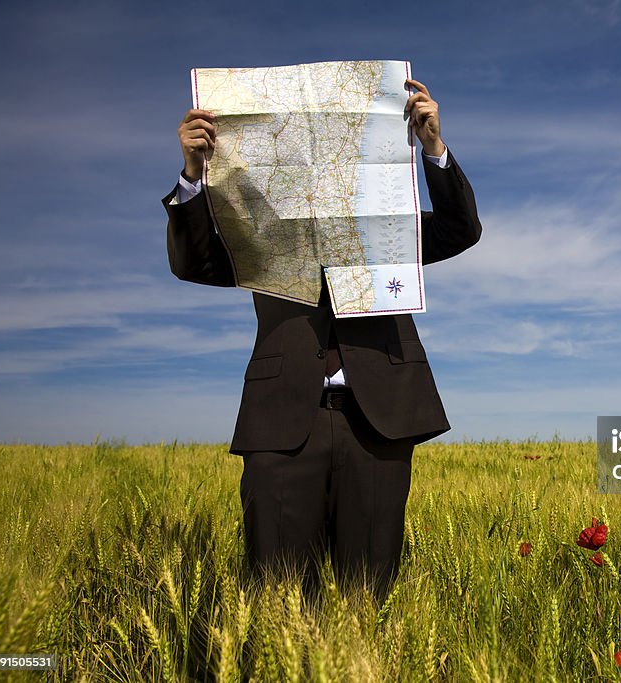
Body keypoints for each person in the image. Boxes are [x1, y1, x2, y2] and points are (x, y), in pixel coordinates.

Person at [162, 78, 482, 601]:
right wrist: (194, 176)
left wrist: (433, 148)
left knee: (369, 593)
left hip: (378, 420)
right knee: (279, 593)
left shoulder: (387, 228)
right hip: (283, 422)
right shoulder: (259, 232)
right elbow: (195, 261)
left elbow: (460, 230)